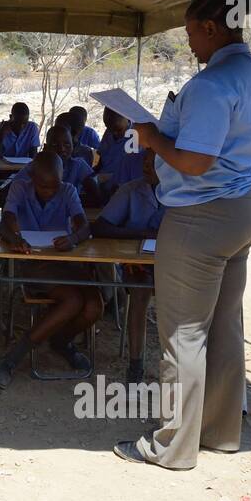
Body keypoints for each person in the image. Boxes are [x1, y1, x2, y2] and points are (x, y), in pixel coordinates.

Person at [114, 0, 251, 470]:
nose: (188, 44)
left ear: (211, 27)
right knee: (225, 325)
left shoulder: (212, 85)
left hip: (202, 216)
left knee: (184, 333)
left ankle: (173, 446)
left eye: (189, 32)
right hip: (246, 206)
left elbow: (194, 161)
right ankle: (220, 431)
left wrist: (152, 138)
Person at [0, 153, 100, 391]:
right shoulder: (20, 187)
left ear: (62, 178)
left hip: (65, 261)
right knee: (72, 301)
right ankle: (11, 360)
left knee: (94, 306)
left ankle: (61, 340)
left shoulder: (68, 190)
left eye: (54, 186)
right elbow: (5, 220)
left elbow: (83, 225)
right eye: (43, 186)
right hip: (34, 262)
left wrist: (73, 238)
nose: (49, 191)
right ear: (32, 177)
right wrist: (15, 238)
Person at [92, 148, 164, 384]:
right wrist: (142, 233)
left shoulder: (186, 193)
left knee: (182, 295)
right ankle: (136, 364)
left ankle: (182, 363)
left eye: (154, 162)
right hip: (138, 262)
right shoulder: (131, 190)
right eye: (145, 160)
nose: (146, 165)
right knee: (140, 291)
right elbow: (101, 227)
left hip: (174, 262)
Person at [94, 107, 144, 195]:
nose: (114, 133)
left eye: (118, 130)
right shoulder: (110, 131)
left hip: (123, 185)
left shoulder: (138, 136)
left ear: (128, 118)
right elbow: (101, 160)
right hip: (102, 183)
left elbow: (135, 173)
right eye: (108, 127)